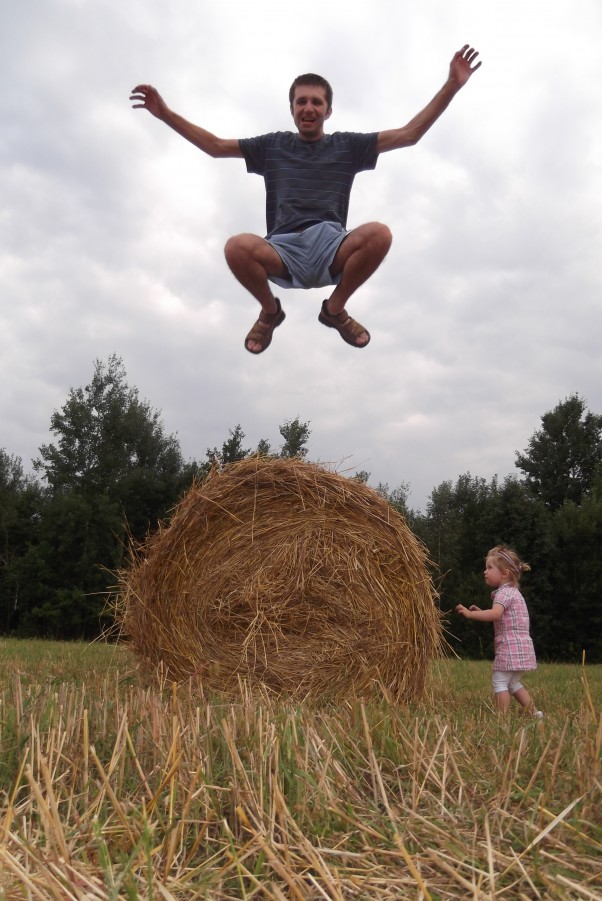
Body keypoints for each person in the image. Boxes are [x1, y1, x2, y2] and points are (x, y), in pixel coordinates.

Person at [130, 45, 481, 354]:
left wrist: (452, 85)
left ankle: (335, 310)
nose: (308, 107)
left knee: (380, 234)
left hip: (332, 246)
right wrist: (166, 115)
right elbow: (216, 147)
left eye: (317, 102)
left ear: (328, 111)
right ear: (292, 109)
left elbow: (409, 134)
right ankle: (270, 312)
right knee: (236, 247)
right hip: (282, 249)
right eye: (302, 101)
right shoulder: (272, 146)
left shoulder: (347, 146)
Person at [456, 546, 543, 717]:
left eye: (489, 568)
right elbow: (501, 619)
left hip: (509, 647)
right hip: (522, 647)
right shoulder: (514, 593)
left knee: (500, 681)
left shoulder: (503, 594)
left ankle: (501, 718)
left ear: (504, 573)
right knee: (513, 683)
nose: (485, 572)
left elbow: (495, 614)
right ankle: (535, 713)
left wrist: (471, 614)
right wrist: (481, 611)